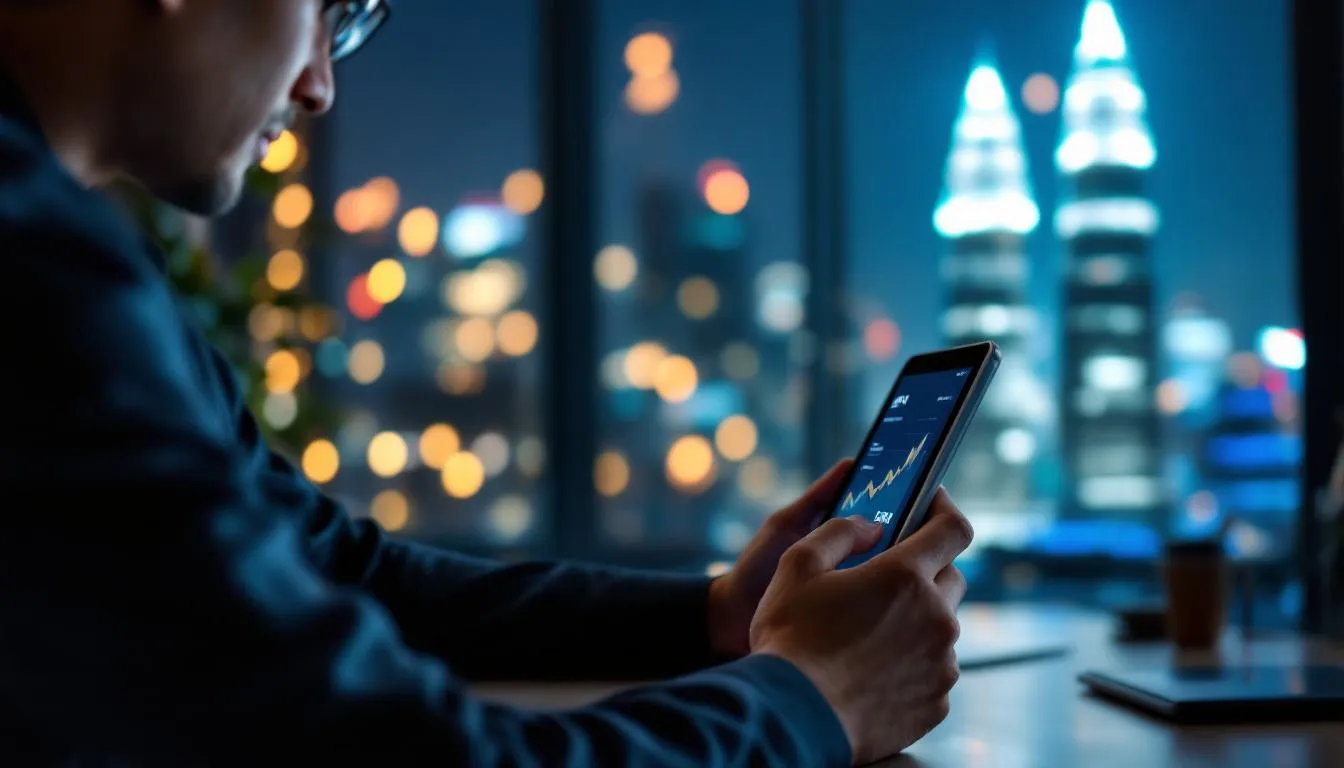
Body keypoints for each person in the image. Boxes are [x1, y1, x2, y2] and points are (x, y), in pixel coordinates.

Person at [0, 1, 975, 765]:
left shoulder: (78, 261)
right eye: (332, 11)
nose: (319, 87)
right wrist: (813, 701)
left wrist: (712, 614)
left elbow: (334, 569)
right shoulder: (39, 284)